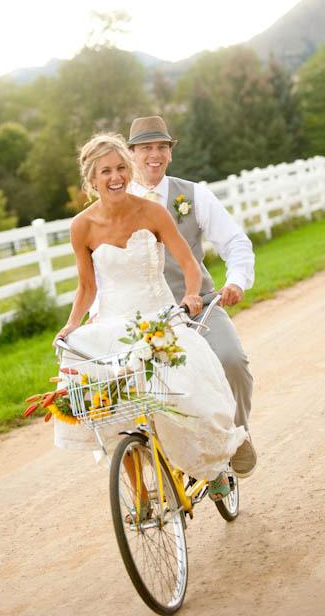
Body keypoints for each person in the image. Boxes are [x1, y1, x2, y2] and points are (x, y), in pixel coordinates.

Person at [54, 132, 246, 498]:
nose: (116, 177)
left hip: (159, 316)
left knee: (190, 393)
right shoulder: (81, 227)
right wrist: (72, 324)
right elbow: (87, 288)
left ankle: (215, 463)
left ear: (130, 170)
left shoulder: (153, 212)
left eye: (122, 168)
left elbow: (189, 263)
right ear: (91, 179)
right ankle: (141, 496)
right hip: (113, 321)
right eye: (106, 171)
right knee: (114, 412)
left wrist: (191, 294)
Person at [126, 115, 257, 477]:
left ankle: (236, 437)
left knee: (233, 362)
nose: (155, 155)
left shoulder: (193, 194)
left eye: (162, 147)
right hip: (145, 317)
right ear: (132, 153)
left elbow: (235, 242)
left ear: (170, 152)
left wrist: (237, 281)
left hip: (198, 304)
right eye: (146, 148)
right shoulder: (119, 203)